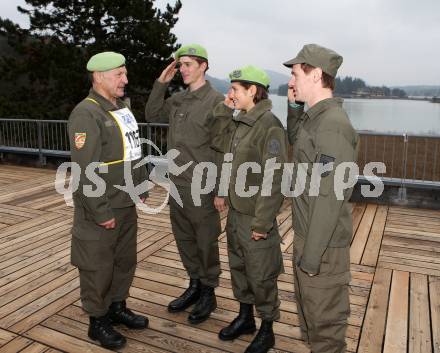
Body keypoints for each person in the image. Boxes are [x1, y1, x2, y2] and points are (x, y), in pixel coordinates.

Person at [68, 51, 149, 349]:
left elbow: (134, 153)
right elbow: (85, 170)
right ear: (99, 77)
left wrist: (140, 186)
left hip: (125, 202)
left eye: (125, 74)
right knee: (98, 264)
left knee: (123, 260)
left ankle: (117, 306)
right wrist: (100, 210)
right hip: (101, 208)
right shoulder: (86, 114)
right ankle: (97, 321)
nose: (125, 80)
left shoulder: (121, 109)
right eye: (119, 75)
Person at [283, 44, 359, 353]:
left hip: (322, 248)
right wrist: (294, 108)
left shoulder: (333, 125)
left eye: (295, 73)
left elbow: (329, 198)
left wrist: (311, 257)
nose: (291, 81)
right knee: (312, 322)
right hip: (308, 237)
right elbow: (297, 143)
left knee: (326, 332)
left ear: (315, 74)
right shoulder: (314, 119)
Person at [145, 44, 224, 324]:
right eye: (180, 65)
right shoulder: (177, 100)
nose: (183, 70)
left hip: (202, 186)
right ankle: (194, 284)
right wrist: (161, 83)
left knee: (205, 241)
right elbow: (152, 114)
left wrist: (221, 190)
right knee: (184, 239)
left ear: (203, 65)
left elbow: (224, 149)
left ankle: (208, 292)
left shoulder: (217, 102)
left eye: (188, 64)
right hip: (176, 184)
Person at [211, 65, 287, 353]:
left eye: (235, 90)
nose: (230, 94)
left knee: (261, 273)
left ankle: (267, 328)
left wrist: (261, 224)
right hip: (236, 213)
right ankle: (245, 318)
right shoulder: (240, 120)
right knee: (239, 267)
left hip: (256, 216)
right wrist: (223, 109)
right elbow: (217, 141)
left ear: (253, 91)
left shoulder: (269, 124)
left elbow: (274, 177)